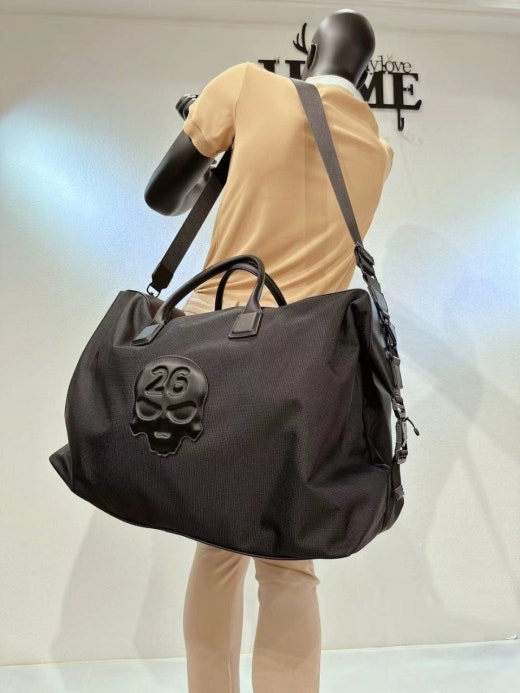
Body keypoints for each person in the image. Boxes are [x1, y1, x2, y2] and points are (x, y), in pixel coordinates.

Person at [144, 9, 393, 693]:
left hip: (219, 355)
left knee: (219, 545)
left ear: (310, 50)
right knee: (289, 563)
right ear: (366, 69)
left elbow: (161, 197)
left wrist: (213, 158)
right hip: (306, 368)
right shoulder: (378, 149)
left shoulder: (249, 86)